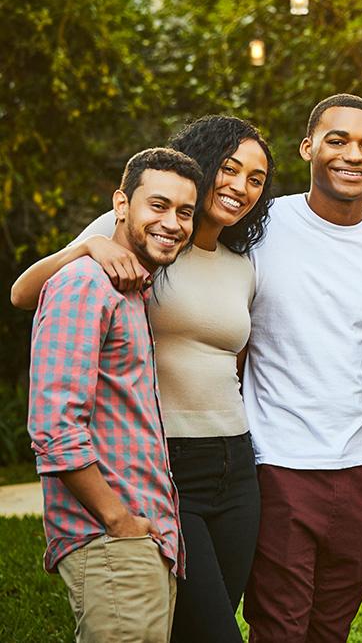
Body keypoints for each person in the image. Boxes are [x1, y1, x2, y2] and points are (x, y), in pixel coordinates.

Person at [12, 115, 275, 643]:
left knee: (194, 621)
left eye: (256, 178)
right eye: (228, 169)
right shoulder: (132, 238)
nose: (240, 186)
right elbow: (28, 293)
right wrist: (86, 248)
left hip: (235, 461)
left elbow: (234, 358)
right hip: (168, 463)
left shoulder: (241, 263)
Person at [241, 94, 362, 642]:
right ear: (308, 147)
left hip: (360, 469)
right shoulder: (261, 225)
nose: (353, 154)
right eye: (337, 140)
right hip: (278, 463)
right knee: (280, 628)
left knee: (331, 628)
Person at [26, 147, 200, 642]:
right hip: (108, 540)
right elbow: (54, 426)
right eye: (158, 205)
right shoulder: (85, 285)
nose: (173, 223)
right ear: (121, 204)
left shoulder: (130, 289)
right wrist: (117, 519)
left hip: (142, 537)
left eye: (184, 212)